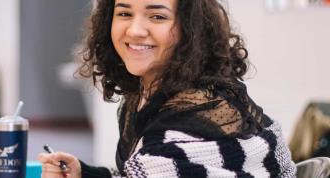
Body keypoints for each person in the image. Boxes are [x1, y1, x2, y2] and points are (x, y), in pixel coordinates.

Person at [38, 0, 296, 178]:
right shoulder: (147, 95)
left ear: (190, 29)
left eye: (157, 16)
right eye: (124, 13)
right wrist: (86, 173)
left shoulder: (189, 122)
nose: (135, 30)